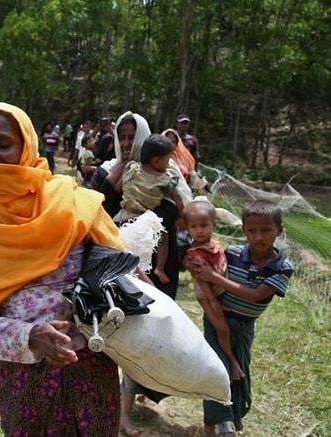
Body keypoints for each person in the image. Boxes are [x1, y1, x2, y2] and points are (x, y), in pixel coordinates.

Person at [0, 102, 133, 436]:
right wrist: (30, 337)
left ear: (26, 146)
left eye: (2, 143)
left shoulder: (72, 201)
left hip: (92, 368)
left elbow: (117, 269)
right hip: (26, 380)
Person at [88, 111, 191, 436]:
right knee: (119, 329)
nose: (128, 142)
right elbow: (91, 207)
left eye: (134, 136)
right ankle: (119, 408)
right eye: (123, 137)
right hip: (118, 260)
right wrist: (109, 180)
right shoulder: (112, 168)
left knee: (148, 328)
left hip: (159, 257)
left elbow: (183, 209)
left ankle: (133, 395)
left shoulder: (168, 171)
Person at [185, 200, 294, 437]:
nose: (258, 237)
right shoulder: (231, 253)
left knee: (238, 375)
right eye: (252, 230)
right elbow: (200, 265)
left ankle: (228, 420)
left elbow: (256, 296)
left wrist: (214, 277)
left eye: (266, 230)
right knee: (217, 371)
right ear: (244, 230)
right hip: (217, 320)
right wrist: (195, 266)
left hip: (243, 328)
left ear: (280, 230)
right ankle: (212, 427)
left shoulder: (283, 266)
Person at [183, 200, 245, 382]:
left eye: (204, 225)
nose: (199, 230)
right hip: (207, 294)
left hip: (219, 288)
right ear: (187, 228)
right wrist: (213, 301)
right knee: (222, 329)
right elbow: (203, 281)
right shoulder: (195, 254)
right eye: (193, 227)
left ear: (214, 225)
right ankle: (232, 362)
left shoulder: (214, 243)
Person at [113, 134, 184, 285]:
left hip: (124, 216)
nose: (169, 163)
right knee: (163, 235)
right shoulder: (165, 179)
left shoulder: (132, 169)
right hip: (146, 219)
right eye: (168, 159)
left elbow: (118, 187)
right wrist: (180, 217)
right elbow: (178, 199)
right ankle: (160, 268)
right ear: (157, 160)